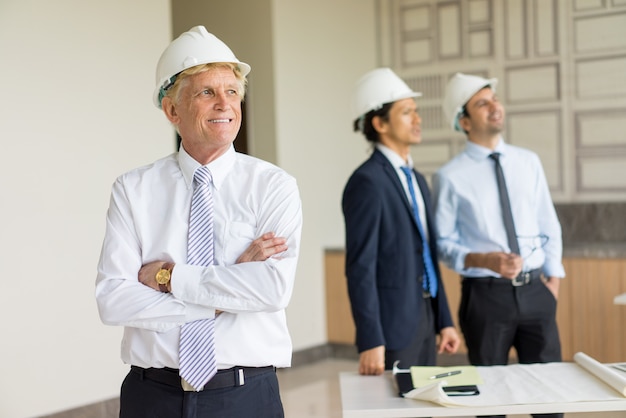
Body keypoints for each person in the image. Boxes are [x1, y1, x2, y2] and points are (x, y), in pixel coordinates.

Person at [95, 26, 302, 418]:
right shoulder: (133, 189)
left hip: (246, 397)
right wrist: (226, 292)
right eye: (207, 92)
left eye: (232, 91)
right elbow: (113, 300)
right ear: (172, 110)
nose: (225, 104)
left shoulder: (275, 186)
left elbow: (272, 290)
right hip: (151, 397)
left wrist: (170, 279)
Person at [432, 72, 564, 418]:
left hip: (538, 292)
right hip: (485, 298)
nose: (495, 107)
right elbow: (443, 244)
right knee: (490, 401)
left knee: (552, 396)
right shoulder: (449, 176)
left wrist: (554, 280)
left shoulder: (527, 161)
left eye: (495, 99)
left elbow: (547, 220)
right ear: (464, 121)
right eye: (482, 103)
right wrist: (484, 260)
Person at [342, 68, 460, 376]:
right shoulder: (367, 182)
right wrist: (370, 339)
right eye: (407, 112)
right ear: (380, 123)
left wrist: (444, 319)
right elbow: (360, 268)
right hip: (391, 328)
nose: (417, 120)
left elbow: (428, 256)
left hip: (425, 317)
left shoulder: (418, 180)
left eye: (416, 112)